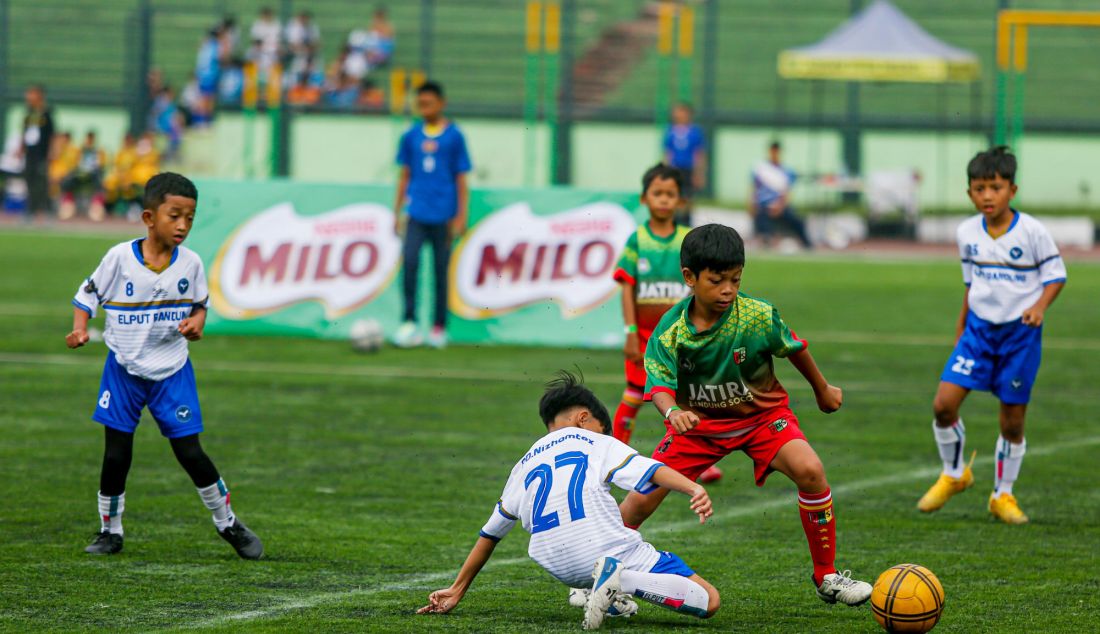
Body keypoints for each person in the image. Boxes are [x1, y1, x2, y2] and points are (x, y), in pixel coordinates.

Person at [617, 223, 872, 606]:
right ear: (689, 278)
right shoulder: (671, 330)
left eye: (735, 279)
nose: (728, 290)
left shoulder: (756, 315)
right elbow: (658, 385)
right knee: (638, 502)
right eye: (717, 281)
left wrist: (822, 388)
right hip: (698, 429)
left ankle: (827, 576)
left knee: (811, 471)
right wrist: (672, 413)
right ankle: (593, 570)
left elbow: (795, 347)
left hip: (762, 420)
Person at [418, 371, 720, 630]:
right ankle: (619, 582)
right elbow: (652, 470)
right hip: (604, 553)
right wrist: (693, 488)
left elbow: (490, 534)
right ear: (584, 418)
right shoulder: (595, 441)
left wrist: (456, 590)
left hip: (560, 568)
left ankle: (602, 591)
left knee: (604, 537)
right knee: (709, 600)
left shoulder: (523, 464)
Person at [66, 172, 263, 559]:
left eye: (190, 217)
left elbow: (200, 304)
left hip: (171, 370)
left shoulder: (190, 264)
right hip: (123, 369)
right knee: (116, 454)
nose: (183, 226)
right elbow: (86, 296)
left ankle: (228, 523)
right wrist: (79, 329)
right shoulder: (119, 258)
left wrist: (196, 323)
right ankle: (110, 531)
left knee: (190, 452)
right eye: (175, 216)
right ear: (148, 218)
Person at [917, 147, 1066, 525]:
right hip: (978, 334)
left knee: (1012, 422)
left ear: (1011, 190)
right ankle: (954, 473)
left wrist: (1040, 307)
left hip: (1020, 336)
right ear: (969, 194)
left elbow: (1055, 275)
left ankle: (1002, 495)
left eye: (995, 187)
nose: (987, 195)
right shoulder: (966, 232)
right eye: (979, 188)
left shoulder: (1032, 231)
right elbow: (972, 283)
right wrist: (961, 326)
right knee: (943, 405)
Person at [611, 164, 723, 483]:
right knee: (634, 394)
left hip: (683, 339)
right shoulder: (637, 240)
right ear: (644, 199)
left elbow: (701, 286)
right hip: (646, 337)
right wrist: (631, 333)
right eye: (657, 194)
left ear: (681, 200)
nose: (663, 200)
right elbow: (627, 286)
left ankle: (697, 460)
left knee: (687, 400)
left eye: (670, 194)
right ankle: (615, 455)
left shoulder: (688, 241)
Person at [392, 81, 471, 349]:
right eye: (420, 103)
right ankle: (409, 323)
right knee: (411, 264)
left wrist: (461, 215)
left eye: (429, 103)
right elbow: (405, 175)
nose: (424, 108)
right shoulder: (411, 136)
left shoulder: (454, 136)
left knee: (440, 271)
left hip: (444, 215)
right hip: (416, 213)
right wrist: (397, 211)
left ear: (441, 103)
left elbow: (461, 178)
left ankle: (438, 327)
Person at [750, 141, 812, 249]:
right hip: (763, 206)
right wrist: (751, 204)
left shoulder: (786, 171)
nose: (775, 154)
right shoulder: (760, 169)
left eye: (777, 151)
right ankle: (766, 242)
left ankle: (808, 245)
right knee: (762, 220)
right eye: (773, 151)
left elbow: (787, 193)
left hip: (781, 207)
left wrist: (779, 207)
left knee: (797, 221)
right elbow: (753, 189)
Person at [662, 103, 705, 225]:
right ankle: (674, 220)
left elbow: (699, 154)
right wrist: (666, 171)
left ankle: (686, 220)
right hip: (674, 169)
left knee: (688, 196)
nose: (678, 115)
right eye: (676, 112)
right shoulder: (670, 131)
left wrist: (698, 173)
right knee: (674, 194)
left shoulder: (695, 132)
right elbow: (667, 152)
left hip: (688, 169)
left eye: (681, 112)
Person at [20, 84, 55, 216]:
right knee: (29, 181)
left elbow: (52, 134)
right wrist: (21, 148)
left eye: (31, 93)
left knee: (42, 183)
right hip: (30, 154)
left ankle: (47, 211)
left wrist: (51, 151)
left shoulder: (46, 114)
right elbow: (25, 132)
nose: (28, 96)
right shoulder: (29, 114)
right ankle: (30, 210)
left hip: (42, 154)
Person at [58, 130, 107, 221]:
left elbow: (100, 165)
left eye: (91, 138)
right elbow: (75, 164)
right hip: (80, 173)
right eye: (88, 138)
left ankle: (97, 207)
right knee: (68, 181)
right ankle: (67, 205)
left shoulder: (98, 151)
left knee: (99, 181)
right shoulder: (80, 150)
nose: (89, 141)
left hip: (93, 174)